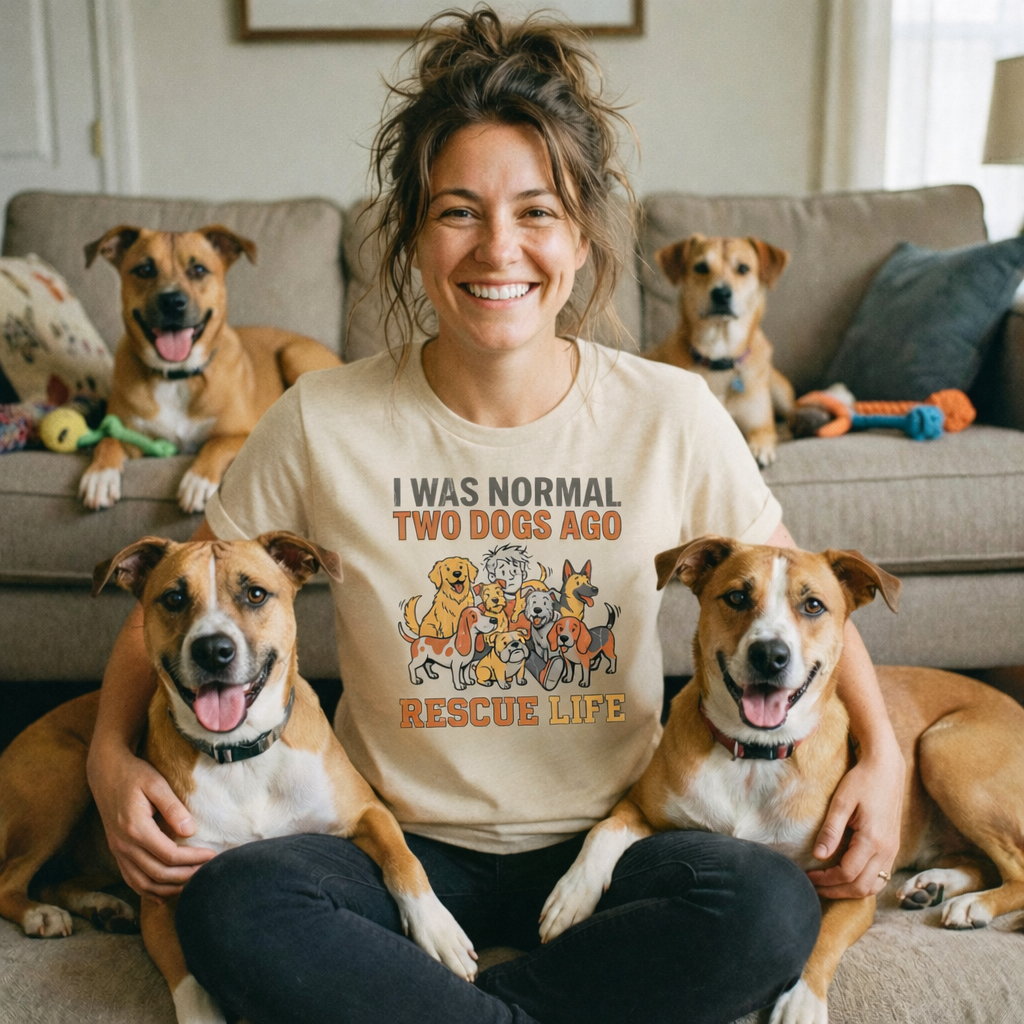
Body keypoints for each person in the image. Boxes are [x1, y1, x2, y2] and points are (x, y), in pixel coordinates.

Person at [86, 10, 905, 1024]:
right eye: (457, 211)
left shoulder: (672, 410)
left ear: (583, 233)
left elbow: (804, 593)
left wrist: (884, 757)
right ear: (412, 230)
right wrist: (109, 758)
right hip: (393, 842)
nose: (498, 248)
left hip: (621, 836)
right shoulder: (318, 418)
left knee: (767, 908)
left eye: (536, 211)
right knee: (233, 905)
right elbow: (174, 599)